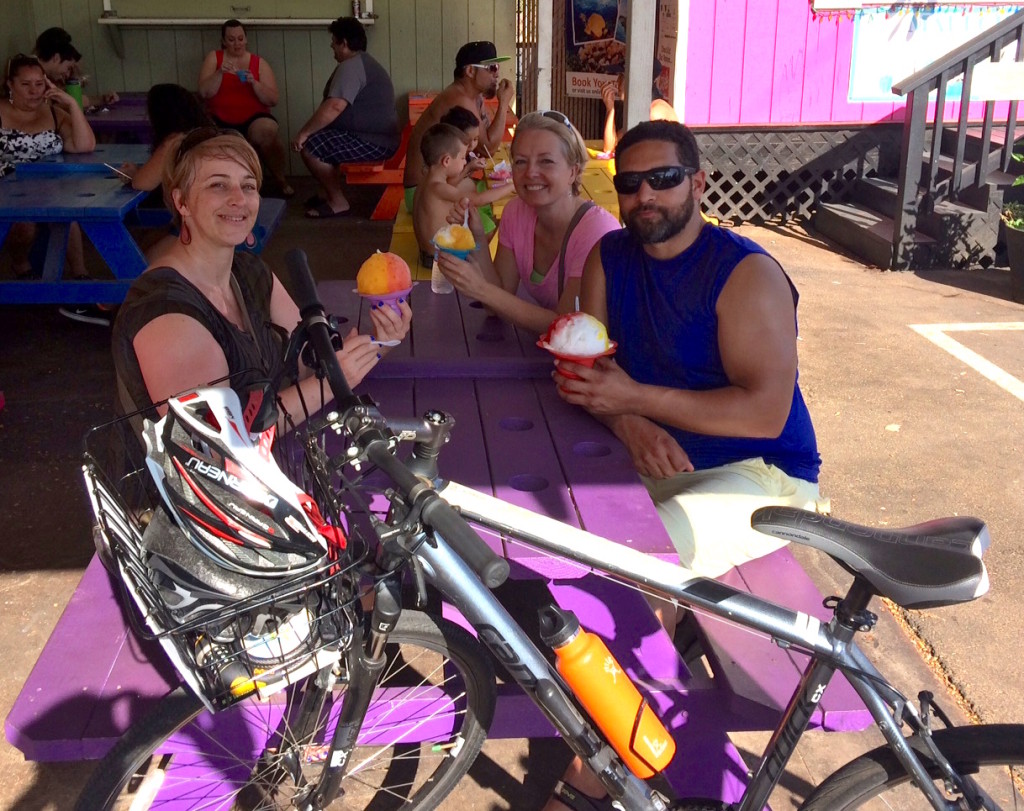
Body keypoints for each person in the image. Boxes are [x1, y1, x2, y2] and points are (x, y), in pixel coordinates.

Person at [545, 119, 826, 811]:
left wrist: (635, 397)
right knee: (540, 545)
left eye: (664, 178)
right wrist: (626, 416)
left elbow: (765, 411)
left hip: (762, 473)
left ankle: (600, 776)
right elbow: (583, 367)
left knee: (630, 571)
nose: (645, 195)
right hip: (654, 455)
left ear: (697, 182)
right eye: (629, 182)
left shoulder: (747, 272)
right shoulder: (610, 257)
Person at [111, 128, 412, 425]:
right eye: (218, 185)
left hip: (275, 461)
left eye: (249, 186)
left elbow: (307, 363)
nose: (238, 199)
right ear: (182, 202)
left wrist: (380, 343)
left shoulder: (249, 272)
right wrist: (333, 381)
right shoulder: (164, 311)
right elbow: (218, 443)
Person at [434, 110, 619, 335]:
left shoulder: (596, 231)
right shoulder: (516, 213)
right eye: (521, 162)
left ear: (573, 171)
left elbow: (570, 329)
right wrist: (478, 237)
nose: (530, 172)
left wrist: (480, 289)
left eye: (546, 161)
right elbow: (498, 302)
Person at [0, 54, 95, 287]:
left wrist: (71, 104)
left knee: (68, 216)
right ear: (10, 85)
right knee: (24, 225)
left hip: (50, 185)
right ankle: (21, 264)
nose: (33, 91)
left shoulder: (52, 113)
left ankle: (80, 276)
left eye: (39, 84)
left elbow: (84, 145)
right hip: (6, 189)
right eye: (25, 84)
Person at [292, 16, 399, 218]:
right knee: (323, 137)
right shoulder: (359, 63)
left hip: (374, 142)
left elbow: (334, 106)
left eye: (334, 41)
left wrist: (303, 133)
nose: (331, 46)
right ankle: (326, 193)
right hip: (375, 138)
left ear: (344, 43)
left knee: (310, 148)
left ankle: (337, 201)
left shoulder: (352, 66)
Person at [402, 40, 515, 213]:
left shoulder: (472, 97)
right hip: (422, 193)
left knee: (493, 194)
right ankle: (479, 239)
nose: (497, 74)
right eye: (491, 68)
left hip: (440, 184)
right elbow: (488, 148)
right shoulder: (459, 99)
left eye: (497, 68)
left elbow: (484, 141)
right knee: (492, 204)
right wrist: (504, 103)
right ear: (470, 70)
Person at [198, 19, 292, 197]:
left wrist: (254, 83)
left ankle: (280, 179)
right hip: (218, 116)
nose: (237, 43)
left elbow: (273, 100)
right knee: (209, 135)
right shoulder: (214, 58)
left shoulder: (258, 62)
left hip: (254, 116)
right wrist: (220, 73)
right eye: (231, 39)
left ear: (246, 39)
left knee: (266, 131)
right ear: (224, 41)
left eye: (240, 39)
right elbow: (204, 93)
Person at [412, 123, 512, 269]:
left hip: (428, 253)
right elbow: (478, 200)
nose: (465, 162)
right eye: (462, 158)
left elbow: (453, 185)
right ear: (446, 161)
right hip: (441, 257)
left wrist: (468, 169)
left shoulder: (426, 182)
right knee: (498, 230)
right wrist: (513, 185)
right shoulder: (438, 187)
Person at [438, 106, 499, 241]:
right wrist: (468, 168)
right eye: (467, 140)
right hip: (459, 205)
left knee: (488, 189)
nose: (472, 145)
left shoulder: (463, 154)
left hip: (469, 197)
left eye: (476, 139)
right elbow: (449, 184)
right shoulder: (451, 157)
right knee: (489, 229)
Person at [600, 66, 678, 156]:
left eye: (622, 77)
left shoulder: (655, 111)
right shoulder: (641, 108)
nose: (618, 82)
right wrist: (610, 109)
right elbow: (610, 148)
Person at [34, 27, 118, 108]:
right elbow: (53, 106)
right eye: (68, 68)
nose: (67, 74)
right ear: (56, 57)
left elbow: (74, 100)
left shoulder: (47, 77)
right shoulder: (32, 75)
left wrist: (102, 99)